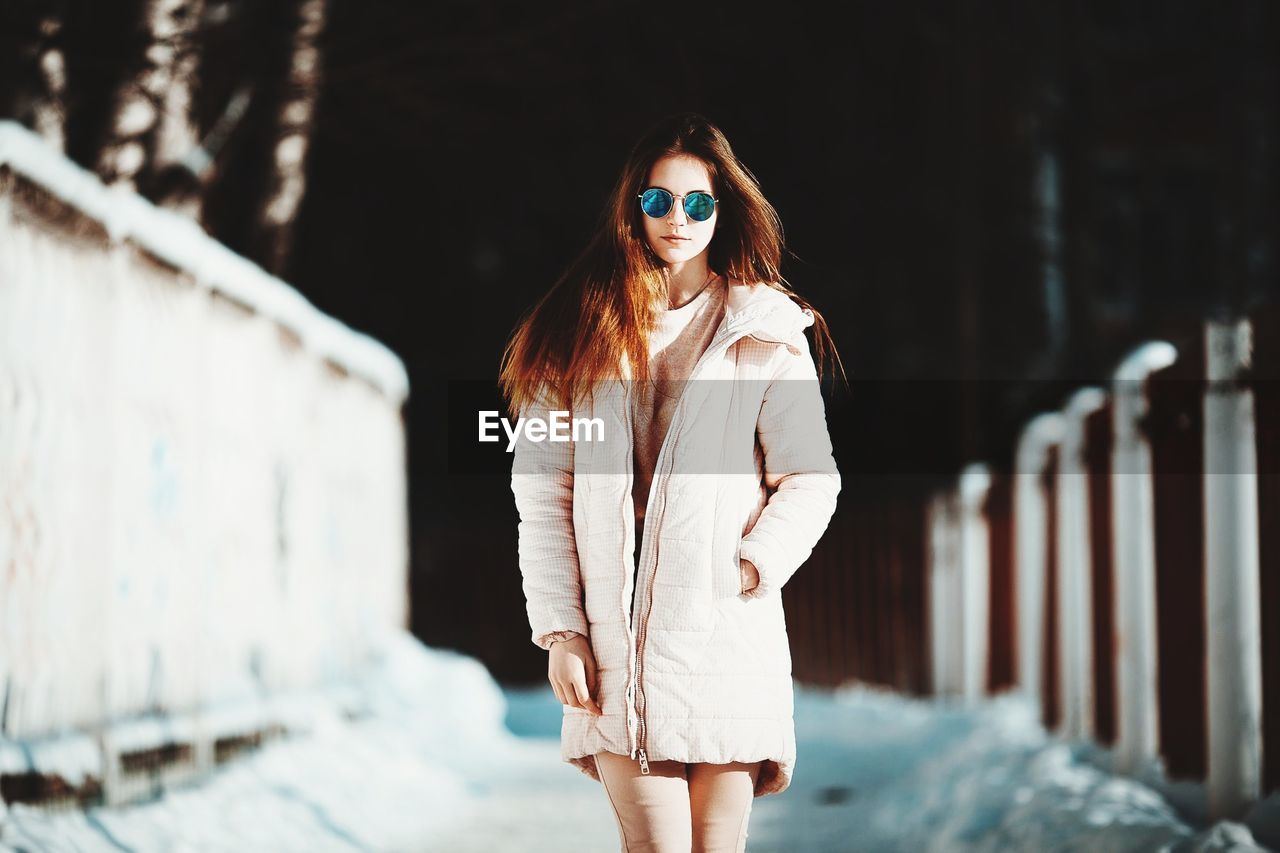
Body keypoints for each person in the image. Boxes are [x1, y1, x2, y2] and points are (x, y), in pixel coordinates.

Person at [500, 112, 842, 852]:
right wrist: (562, 629)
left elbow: (811, 481)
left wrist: (748, 564)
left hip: (727, 639)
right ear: (633, 207)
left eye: (697, 202)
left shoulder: (764, 332)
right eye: (658, 201)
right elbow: (544, 497)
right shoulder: (576, 335)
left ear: (722, 211)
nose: (677, 219)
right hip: (618, 652)